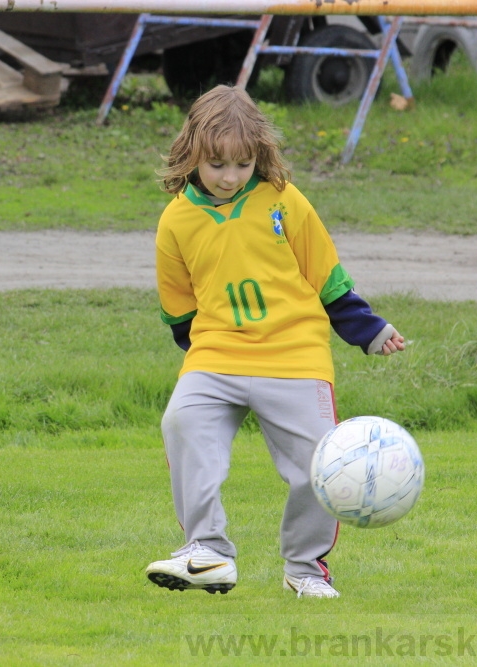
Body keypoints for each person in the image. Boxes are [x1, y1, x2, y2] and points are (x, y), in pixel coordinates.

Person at [146, 85, 405, 598]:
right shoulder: (176, 218)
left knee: (319, 468)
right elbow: (179, 307)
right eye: (217, 164)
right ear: (192, 153)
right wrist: (203, 354)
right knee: (182, 421)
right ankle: (208, 551)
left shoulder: (284, 201)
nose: (229, 176)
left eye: (242, 165)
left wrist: (369, 330)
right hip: (216, 354)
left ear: (258, 157)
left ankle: (305, 570)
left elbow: (326, 273)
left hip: (294, 356)